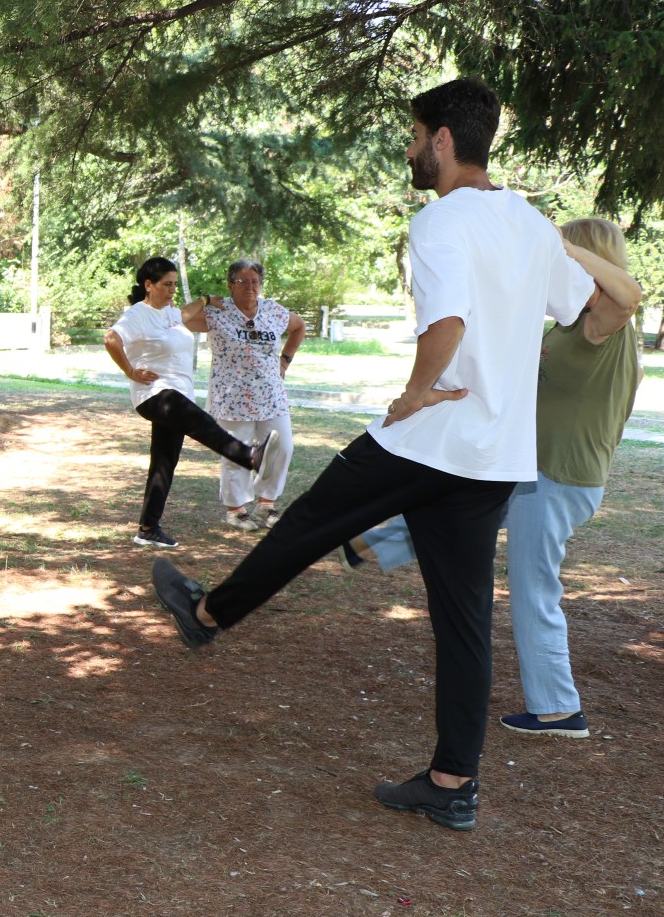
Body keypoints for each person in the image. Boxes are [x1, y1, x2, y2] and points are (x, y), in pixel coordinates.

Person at [150, 78, 595, 832]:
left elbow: (448, 322)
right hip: (495, 456)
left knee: (308, 523)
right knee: (463, 622)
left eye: (416, 135)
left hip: (433, 438)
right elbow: (588, 309)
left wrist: (417, 392)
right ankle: (453, 783)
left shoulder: (441, 222)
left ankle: (207, 612)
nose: (411, 148)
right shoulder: (527, 222)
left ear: (444, 140)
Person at [340, 216, 642, 742]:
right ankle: (364, 542)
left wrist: (562, 247)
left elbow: (629, 292)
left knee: (532, 588)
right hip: (534, 469)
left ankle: (556, 708)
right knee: (457, 512)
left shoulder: (606, 322)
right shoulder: (570, 322)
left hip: (559, 477)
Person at [102, 257, 276, 549]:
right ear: (149, 285)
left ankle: (148, 528)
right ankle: (248, 456)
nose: (172, 290)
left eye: (173, 284)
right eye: (166, 284)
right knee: (201, 422)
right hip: (155, 393)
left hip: (178, 393)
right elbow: (111, 338)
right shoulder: (137, 314)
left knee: (164, 462)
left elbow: (185, 312)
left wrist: (206, 299)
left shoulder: (169, 312)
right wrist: (130, 371)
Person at [203, 260, 305, 530]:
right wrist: (204, 300)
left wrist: (285, 360)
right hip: (232, 396)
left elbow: (299, 327)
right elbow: (179, 318)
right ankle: (235, 510)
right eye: (242, 281)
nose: (250, 287)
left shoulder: (272, 310)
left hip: (270, 393)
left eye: (254, 282)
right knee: (237, 453)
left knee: (282, 447)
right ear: (230, 285)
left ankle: (266, 505)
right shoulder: (217, 311)